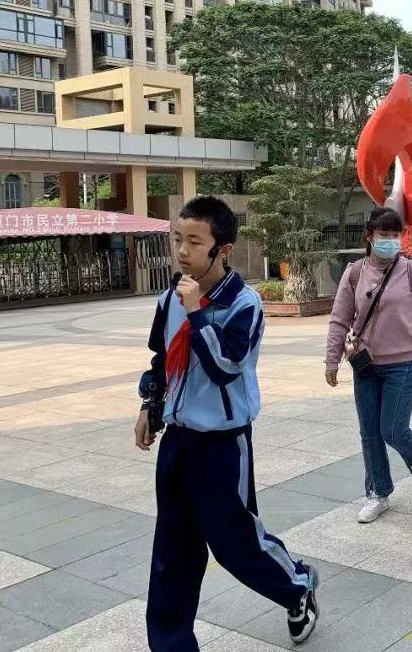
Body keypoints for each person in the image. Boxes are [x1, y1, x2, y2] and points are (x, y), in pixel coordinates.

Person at [136, 196, 320, 649]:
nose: (182, 251)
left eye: (195, 242)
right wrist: (150, 404)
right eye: (177, 239)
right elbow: (161, 358)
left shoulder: (244, 303)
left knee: (235, 544)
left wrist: (197, 312)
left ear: (223, 249)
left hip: (223, 443)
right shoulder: (169, 298)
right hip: (178, 441)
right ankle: (171, 643)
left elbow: (225, 366)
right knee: (173, 549)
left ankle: (297, 585)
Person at [325, 208, 412, 524]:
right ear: (370, 236)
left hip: (403, 363)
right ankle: (378, 493)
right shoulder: (355, 273)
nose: (391, 241)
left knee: (393, 429)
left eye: (396, 235)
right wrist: (332, 359)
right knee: (370, 432)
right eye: (385, 235)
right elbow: (340, 319)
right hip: (366, 365)